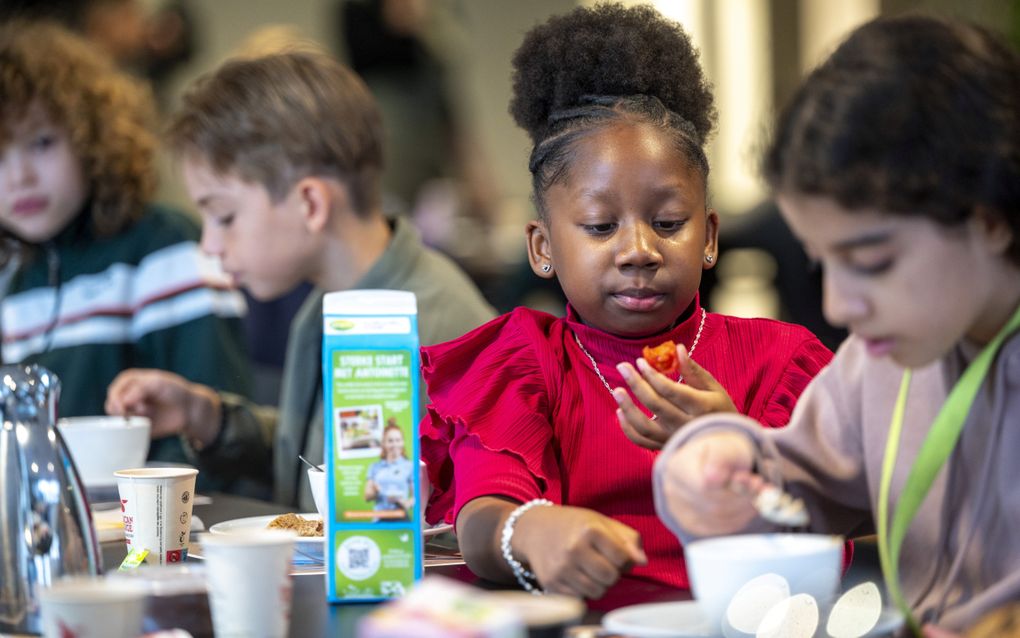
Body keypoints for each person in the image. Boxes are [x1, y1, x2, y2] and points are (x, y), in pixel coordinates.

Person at [419, 3, 834, 600]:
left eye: (668, 223)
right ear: (542, 247)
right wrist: (527, 528)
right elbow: (483, 517)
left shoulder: (780, 361)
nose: (638, 250)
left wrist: (742, 444)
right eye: (598, 227)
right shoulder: (526, 362)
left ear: (710, 237)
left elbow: (832, 517)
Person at [653, 15, 1020, 637]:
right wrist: (723, 471)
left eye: (870, 263)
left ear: (988, 219)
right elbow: (794, 494)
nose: (838, 306)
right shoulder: (878, 366)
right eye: (820, 263)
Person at [104, 50, 496, 510]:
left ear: (310, 203)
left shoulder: (440, 335)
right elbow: (325, 462)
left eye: (224, 216)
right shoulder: (330, 301)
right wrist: (207, 417)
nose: (209, 244)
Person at [0, 22, 250, 482]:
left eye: (41, 143)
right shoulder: (13, 283)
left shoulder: (164, 249)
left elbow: (225, 436)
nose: (19, 178)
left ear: (95, 138)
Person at [363, 421, 415, 520]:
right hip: (379, 519)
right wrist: (375, 491)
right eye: (390, 441)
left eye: (398, 440)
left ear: (402, 442)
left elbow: (415, 497)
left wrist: (407, 503)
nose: (394, 444)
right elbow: (367, 496)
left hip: (401, 518)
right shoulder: (375, 467)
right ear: (384, 443)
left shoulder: (410, 466)